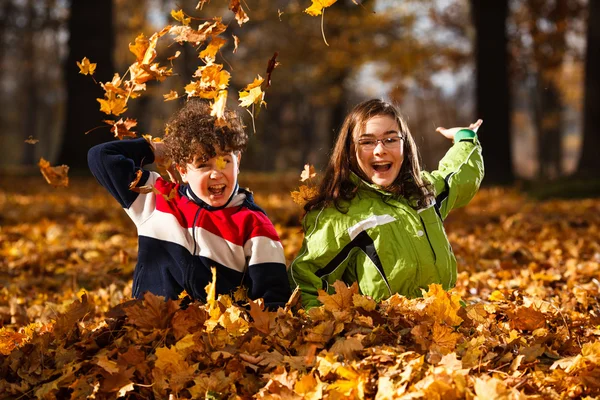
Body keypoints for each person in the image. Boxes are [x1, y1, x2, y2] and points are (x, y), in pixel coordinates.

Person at [88, 99, 291, 308]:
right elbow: (101, 157)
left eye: (225, 161)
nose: (216, 173)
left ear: (237, 162)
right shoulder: (155, 197)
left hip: (213, 334)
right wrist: (157, 150)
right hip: (150, 325)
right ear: (183, 170)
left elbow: (273, 298)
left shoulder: (254, 224)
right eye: (203, 164)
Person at [289, 99, 484, 309]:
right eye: (367, 141)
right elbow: (307, 283)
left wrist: (465, 138)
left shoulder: (423, 191)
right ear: (349, 150)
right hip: (386, 335)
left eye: (390, 139)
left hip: (447, 323)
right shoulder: (339, 215)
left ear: (405, 145)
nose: (380, 150)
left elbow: (459, 175)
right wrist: (325, 332)